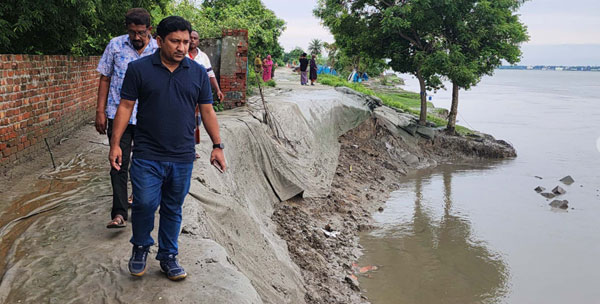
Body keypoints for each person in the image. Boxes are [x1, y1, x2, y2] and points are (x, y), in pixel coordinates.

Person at [109, 16, 227, 281]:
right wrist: (116, 144)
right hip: (147, 154)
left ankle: (168, 256)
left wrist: (217, 146)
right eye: (175, 41)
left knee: (173, 208)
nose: (182, 47)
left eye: (186, 41)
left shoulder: (196, 72)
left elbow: (207, 110)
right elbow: (125, 107)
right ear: (160, 41)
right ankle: (140, 248)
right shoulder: (138, 69)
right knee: (145, 204)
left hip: (182, 155)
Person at [95, 8, 158, 229]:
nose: (137, 38)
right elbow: (105, 78)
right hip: (118, 115)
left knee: (145, 164)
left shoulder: (159, 50)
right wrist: (100, 111)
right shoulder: (115, 45)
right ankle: (119, 213)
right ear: (127, 30)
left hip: (149, 118)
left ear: (149, 29)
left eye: (141, 32)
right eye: (132, 33)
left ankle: (140, 202)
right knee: (118, 162)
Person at [188, 30, 224, 156]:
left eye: (195, 38)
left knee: (195, 123)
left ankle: (191, 149)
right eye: (190, 37)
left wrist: (218, 90)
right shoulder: (181, 55)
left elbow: (210, 75)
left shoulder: (203, 57)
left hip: (198, 95)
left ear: (198, 41)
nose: (192, 40)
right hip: (184, 94)